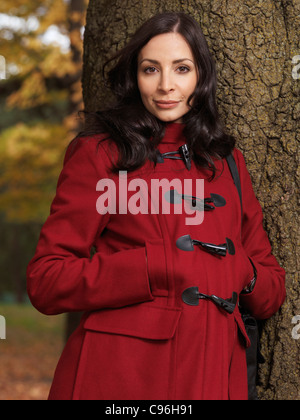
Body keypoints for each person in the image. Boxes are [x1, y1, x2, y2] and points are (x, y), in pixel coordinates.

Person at [27, 12, 286, 400]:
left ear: (201, 76)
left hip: (215, 376)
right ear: (136, 77)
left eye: (181, 69)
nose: (166, 86)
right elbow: (46, 281)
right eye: (151, 70)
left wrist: (240, 272)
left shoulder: (228, 163)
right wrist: (152, 265)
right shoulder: (100, 154)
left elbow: (270, 290)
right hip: (122, 377)